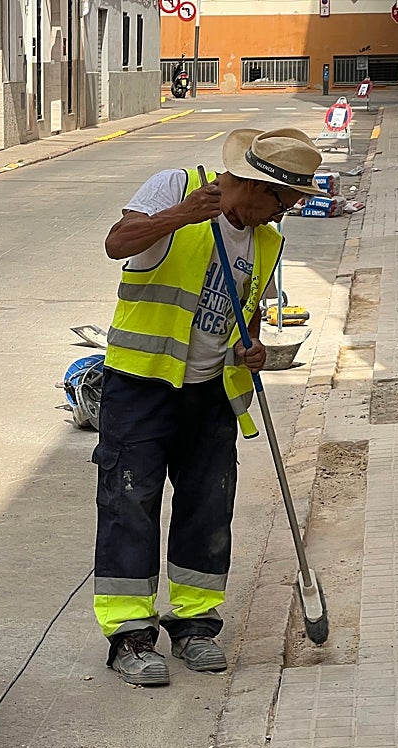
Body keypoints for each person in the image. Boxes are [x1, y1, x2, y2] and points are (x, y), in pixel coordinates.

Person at [94, 128, 326, 686]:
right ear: (253, 185)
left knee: (207, 509)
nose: (283, 214)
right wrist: (179, 216)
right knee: (131, 505)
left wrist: (253, 346)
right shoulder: (177, 187)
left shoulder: (267, 243)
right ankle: (129, 636)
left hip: (211, 394)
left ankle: (196, 625)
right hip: (140, 385)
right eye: (282, 201)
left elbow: (242, 313)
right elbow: (118, 242)